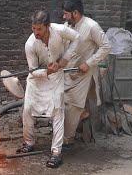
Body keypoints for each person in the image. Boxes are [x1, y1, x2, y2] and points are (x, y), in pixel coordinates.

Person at [16, 10, 80, 168]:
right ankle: (29, 142)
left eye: (39, 29)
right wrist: (47, 71)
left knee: (58, 111)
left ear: (48, 26)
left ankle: (56, 153)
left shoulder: (59, 30)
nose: (36, 33)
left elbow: (77, 38)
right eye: (33, 29)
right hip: (36, 80)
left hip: (56, 78)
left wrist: (65, 59)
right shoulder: (30, 44)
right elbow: (32, 70)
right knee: (28, 109)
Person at [62, 0, 111, 148]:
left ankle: (67, 140)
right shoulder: (67, 26)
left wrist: (88, 63)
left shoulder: (91, 26)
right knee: (59, 101)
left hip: (84, 73)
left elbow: (106, 46)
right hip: (68, 71)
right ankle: (74, 122)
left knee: (73, 106)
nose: (64, 17)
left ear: (75, 13)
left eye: (66, 14)